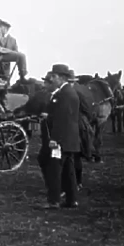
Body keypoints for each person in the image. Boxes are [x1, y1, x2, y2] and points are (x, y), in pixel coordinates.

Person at [38, 64, 81, 209]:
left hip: (61, 138)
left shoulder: (64, 94)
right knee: (69, 170)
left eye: (54, 76)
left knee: (54, 169)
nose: (52, 78)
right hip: (69, 139)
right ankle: (72, 199)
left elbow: (62, 119)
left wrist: (55, 139)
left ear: (62, 78)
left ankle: (54, 200)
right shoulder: (68, 92)